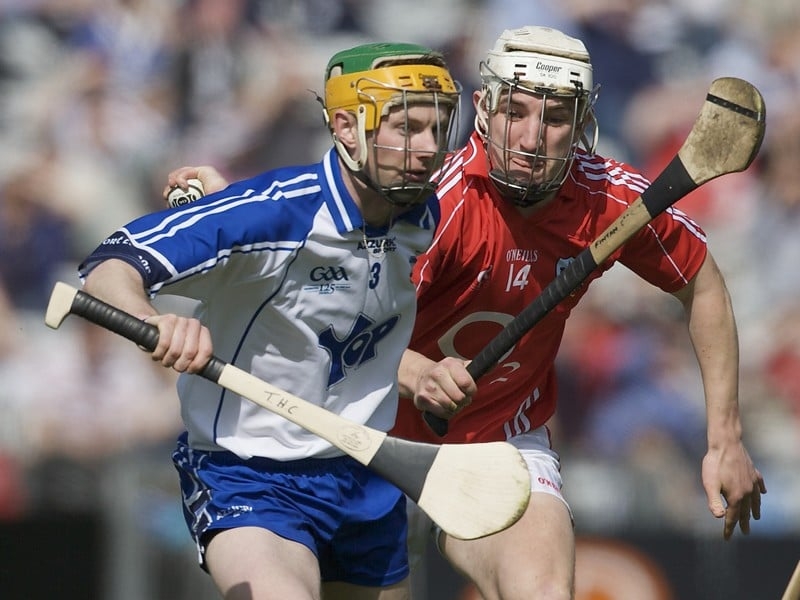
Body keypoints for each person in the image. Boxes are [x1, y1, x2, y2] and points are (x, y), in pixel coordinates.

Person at [166, 26, 766, 600]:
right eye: (517, 112)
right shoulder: (434, 201)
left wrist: (725, 439)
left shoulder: (607, 196)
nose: (533, 136)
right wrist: (419, 371)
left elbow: (702, 285)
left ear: (583, 124)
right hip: (360, 439)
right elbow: (331, 319)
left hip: (499, 443)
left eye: (556, 118)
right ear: (484, 108)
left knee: (544, 592)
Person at [78, 41, 461, 600]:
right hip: (250, 475)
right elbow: (108, 266)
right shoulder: (275, 211)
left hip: (366, 478)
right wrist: (154, 321)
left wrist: (417, 372)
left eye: (436, 129)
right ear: (346, 127)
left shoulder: (425, 218)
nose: (426, 149)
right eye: (406, 128)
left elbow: (325, 340)